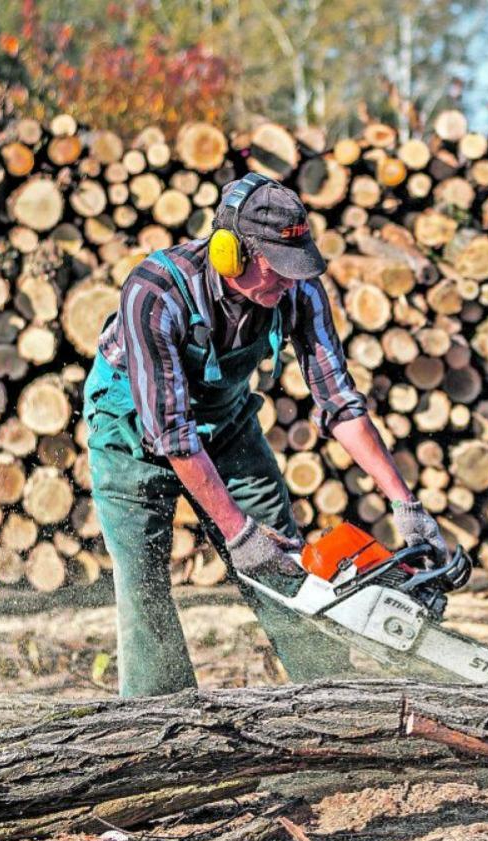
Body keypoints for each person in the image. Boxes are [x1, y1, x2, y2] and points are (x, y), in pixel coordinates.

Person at [83, 172, 447, 697]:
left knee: (285, 568)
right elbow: (173, 435)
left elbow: (339, 401)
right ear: (233, 253)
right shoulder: (154, 294)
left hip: (226, 427)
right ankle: (159, 719)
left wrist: (405, 503)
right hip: (130, 437)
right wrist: (237, 533)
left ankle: (329, 698)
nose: (288, 283)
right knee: (142, 584)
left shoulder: (297, 293)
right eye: (278, 269)